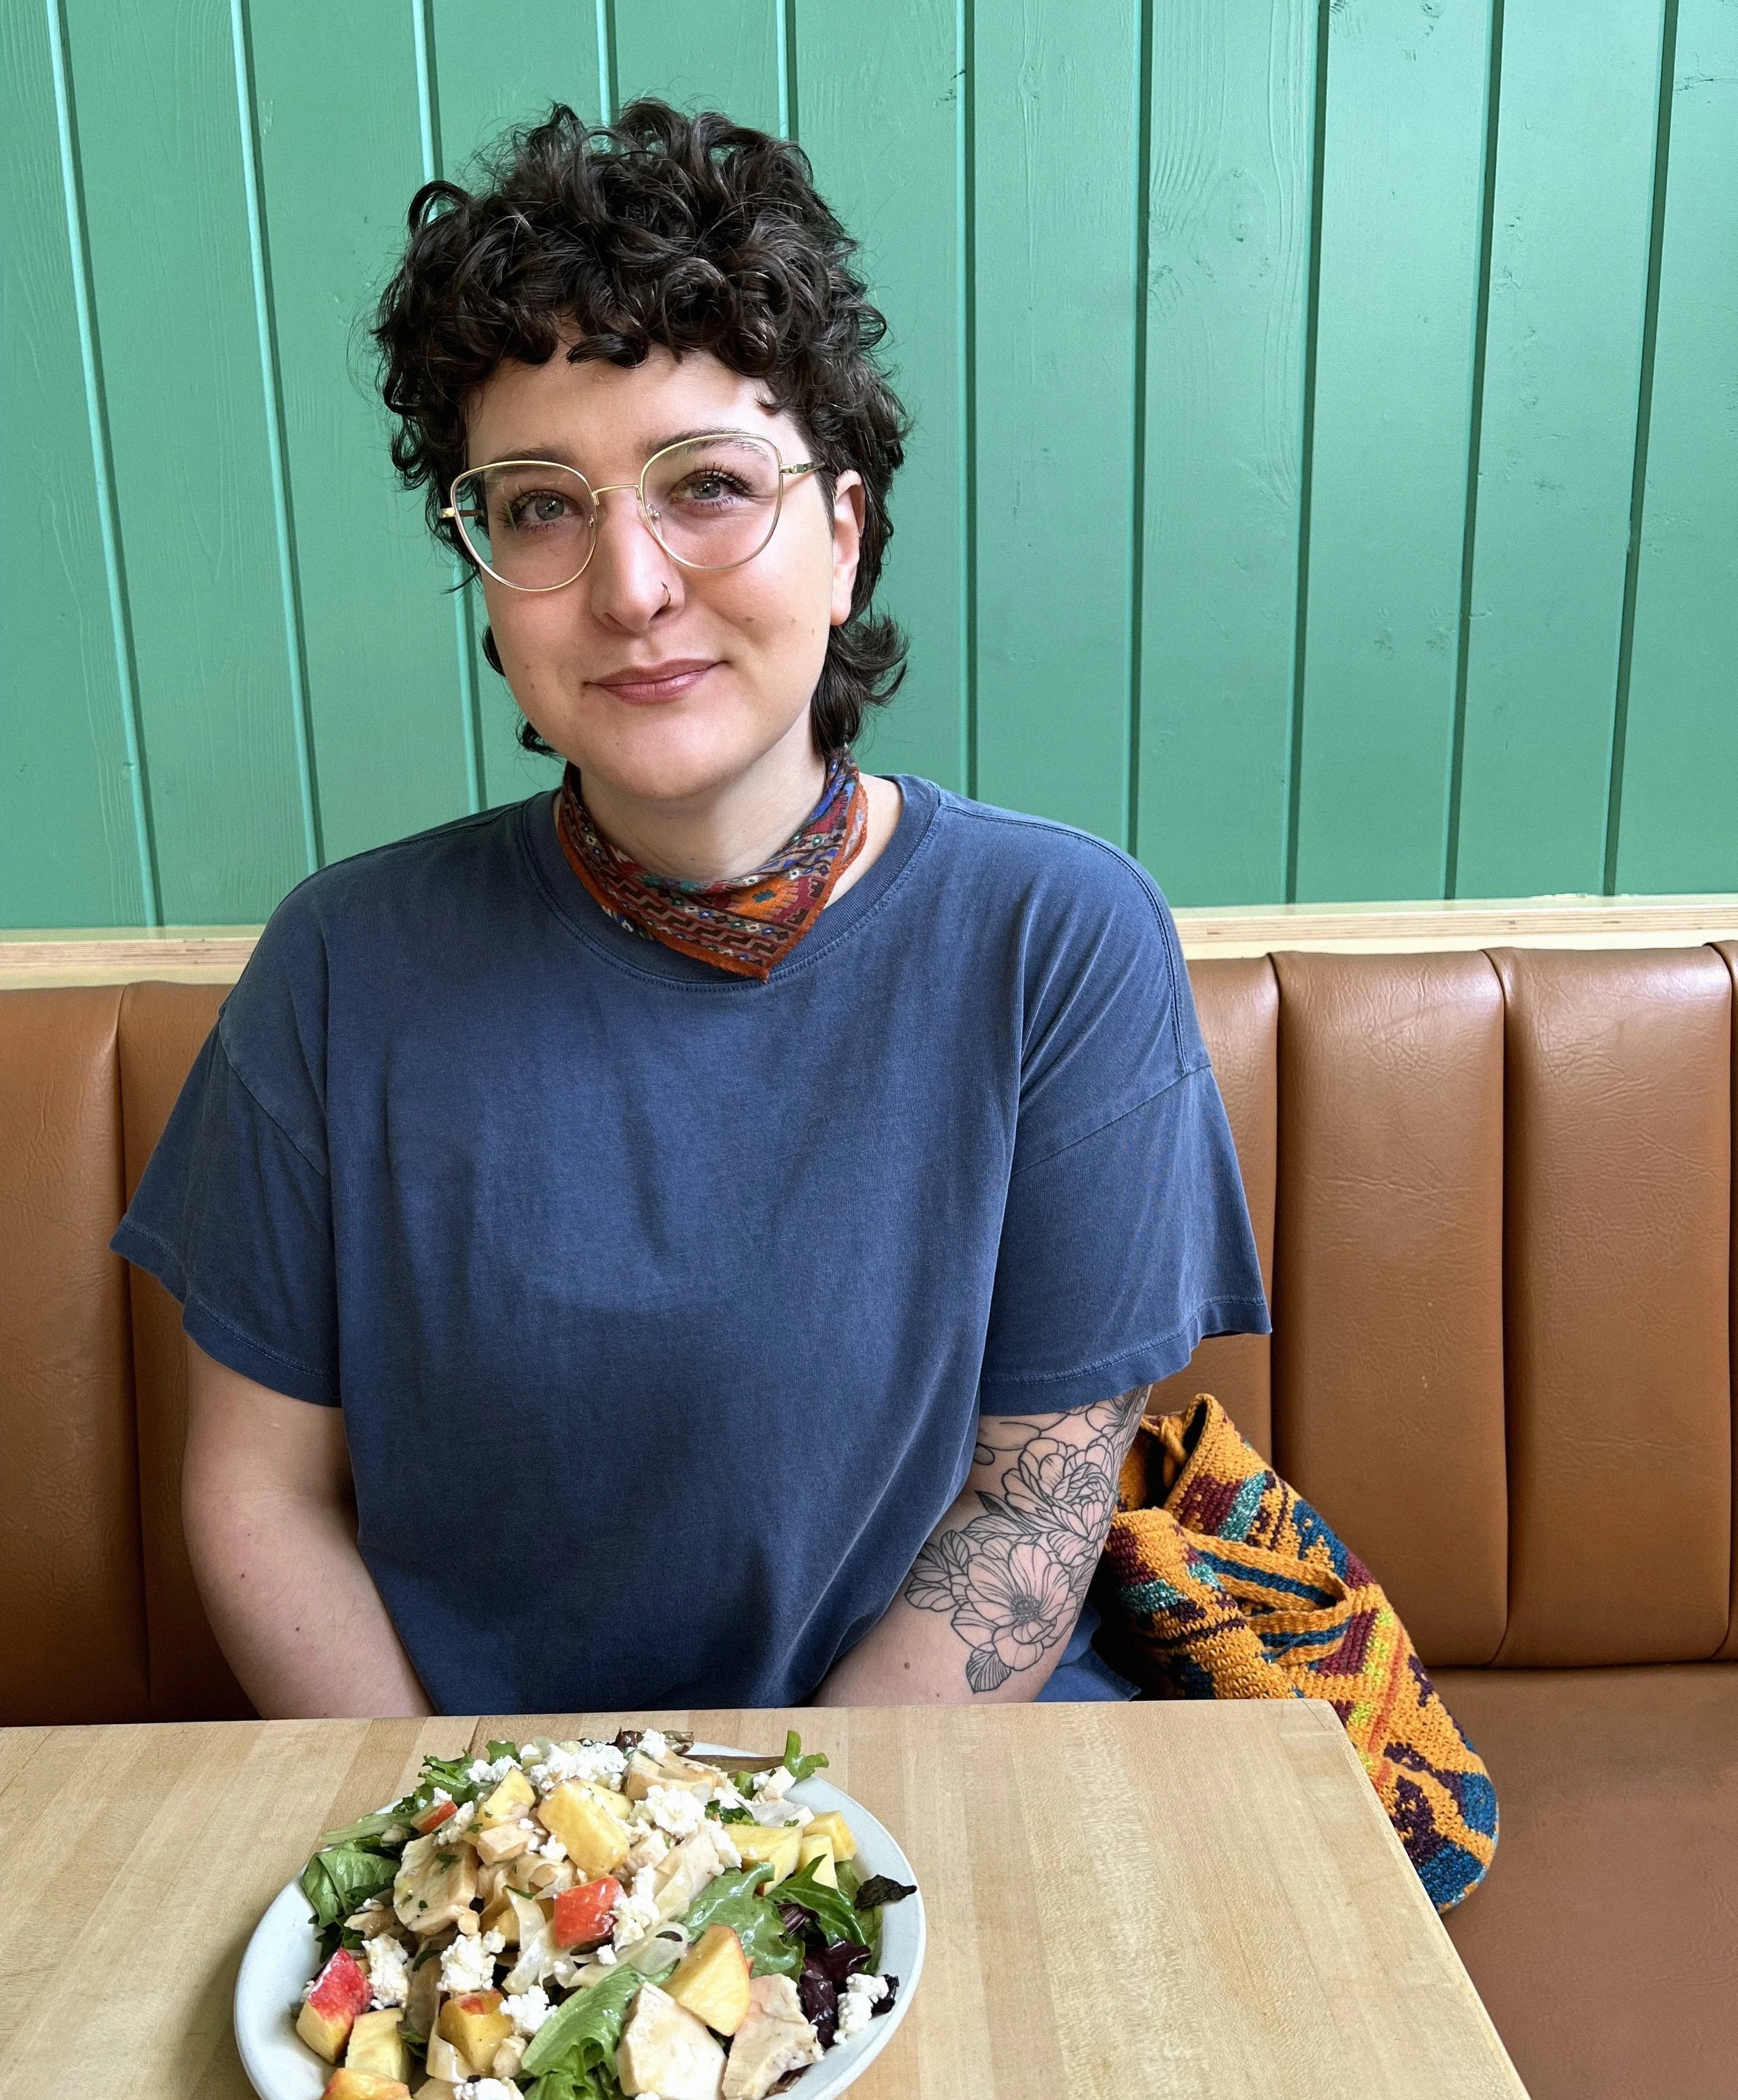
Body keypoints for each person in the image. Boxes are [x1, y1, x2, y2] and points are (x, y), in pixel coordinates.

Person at [112, 102, 1268, 1719]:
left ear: (843, 533)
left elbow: (1030, 1500)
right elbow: (258, 1497)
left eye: (707, 483)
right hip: (494, 1840)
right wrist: (475, 1846)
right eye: (537, 504)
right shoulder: (339, 965)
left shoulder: (1054, 939)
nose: (631, 584)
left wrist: (774, 1889)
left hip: (927, 1797)